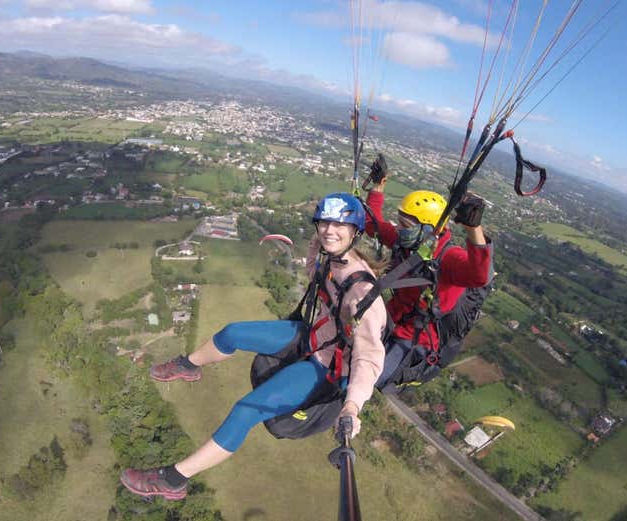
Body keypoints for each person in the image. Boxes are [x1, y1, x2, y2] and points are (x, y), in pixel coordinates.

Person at [120, 192, 387, 500]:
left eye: (339, 225)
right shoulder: (335, 257)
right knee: (233, 333)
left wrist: (352, 406)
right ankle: (188, 366)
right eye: (325, 222)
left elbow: (369, 358)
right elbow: (315, 272)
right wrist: (318, 246)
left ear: (355, 231)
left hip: (325, 367)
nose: (329, 230)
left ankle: (173, 479)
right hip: (310, 338)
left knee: (245, 411)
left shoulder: (364, 293)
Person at [363, 156, 492, 388]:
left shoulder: (448, 258)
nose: (399, 228)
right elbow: (372, 224)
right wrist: (378, 185)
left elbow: (479, 274)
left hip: (416, 339)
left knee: (367, 378)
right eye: (400, 222)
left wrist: (474, 228)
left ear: (429, 229)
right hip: (392, 316)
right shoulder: (408, 241)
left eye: (406, 225)